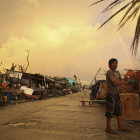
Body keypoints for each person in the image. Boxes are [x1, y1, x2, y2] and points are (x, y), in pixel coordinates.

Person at [105, 58, 129, 134]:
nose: (115, 64)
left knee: (119, 110)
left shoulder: (118, 72)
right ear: (109, 65)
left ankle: (120, 126)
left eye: (116, 63)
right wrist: (124, 82)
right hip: (110, 93)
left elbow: (121, 82)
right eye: (113, 63)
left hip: (117, 94)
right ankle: (108, 127)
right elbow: (115, 82)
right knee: (110, 110)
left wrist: (126, 80)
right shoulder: (109, 72)